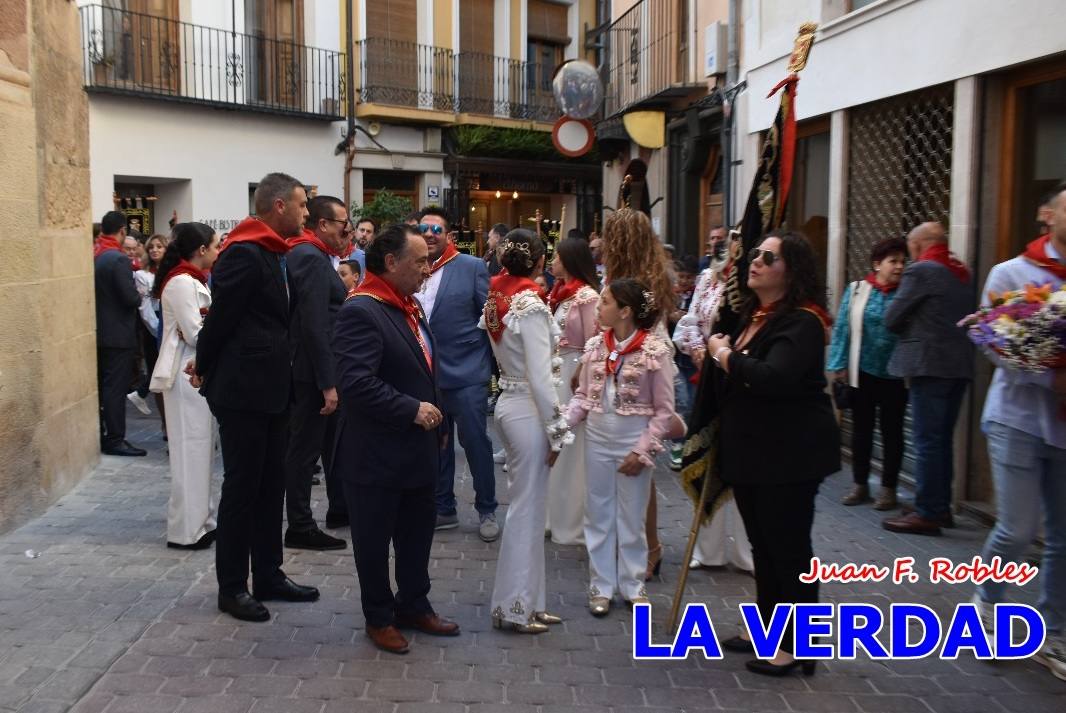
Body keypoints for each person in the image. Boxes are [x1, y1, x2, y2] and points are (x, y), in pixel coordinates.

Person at [706, 231, 839, 677]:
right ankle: (769, 630)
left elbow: (772, 377)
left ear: (792, 270)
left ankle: (798, 646)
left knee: (788, 549)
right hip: (753, 450)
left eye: (769, 257)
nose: (756, 262)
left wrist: (724, 356)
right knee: (764, 545)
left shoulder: (802, 322)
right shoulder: (756, 315)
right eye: (756, 255)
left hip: (789, 453)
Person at [194, 172, 319, 622]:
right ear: (279, 205)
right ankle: (232, 587)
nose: (308, 213)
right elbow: (220, 321)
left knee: (272, 487)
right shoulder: (244, 254)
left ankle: (269, 574)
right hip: (244, 390)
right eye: (303, 205)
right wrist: (204, 366)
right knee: (243, 489)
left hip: (272, 388)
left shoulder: (274, 252)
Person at [333, 223, 460, 655]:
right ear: (391, 262)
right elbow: (356, 383)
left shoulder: (406, 304)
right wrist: (411, 409)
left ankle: (413, 604)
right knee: (373, 542)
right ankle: (379, 617)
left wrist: (438, 422)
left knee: (416, 535)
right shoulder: (361, 309)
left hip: (417, 449)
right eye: (420, 261)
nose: (428, 268)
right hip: (375, 453)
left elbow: (425, 367)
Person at [971, 181, 1066, 682]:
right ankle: (986, 603)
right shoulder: (1012, 274)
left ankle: (1055, 632)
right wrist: (1049, 368)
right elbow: (994, 344)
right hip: (1018, 416)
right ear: (1046, 215)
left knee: (1064, 537)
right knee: (1018, 529)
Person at [567, 279, 681, 617]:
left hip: (633, 440)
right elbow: (584, 398)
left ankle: (633, 583)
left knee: (632, 515)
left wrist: (643, 449)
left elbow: (664, 410)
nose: (599, 307)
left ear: (625, 311)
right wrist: (560, 423)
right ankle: (601, 585)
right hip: (599, 439)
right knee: (598, 513)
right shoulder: (595, 348)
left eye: (605, 302)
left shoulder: (654, 351)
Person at [482, 229, 572, 633]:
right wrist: (558, 431)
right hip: (528, 408)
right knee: (527, 510)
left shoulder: (496, 294)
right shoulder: (530, 303)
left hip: (509, 402)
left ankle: (528, 602)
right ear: (538, 262)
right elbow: (540, 377)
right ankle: (515, 607)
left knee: (529, 509)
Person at [881, 222, 974, 536]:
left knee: (927, 441)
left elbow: (891, 317)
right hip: (959, 365)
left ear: (918, 245)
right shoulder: (962, 271)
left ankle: (928, 512)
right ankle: (938, 503)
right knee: (941, 440)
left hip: (929, 365)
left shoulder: (922, 271)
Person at [600, 208, 676, 580]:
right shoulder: (653, 272)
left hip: (641, 368)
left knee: (636, 467)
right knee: (627, 470)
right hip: (632, 364)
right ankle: (636, 544)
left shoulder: (637, 281)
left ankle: (649, 547)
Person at [415, 208, 499, 542]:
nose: (430, 233)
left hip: (466, 373)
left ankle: (487, 508)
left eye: (437, 228)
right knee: (436, 445)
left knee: (476, 442)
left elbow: (490, 320)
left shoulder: (472, 267)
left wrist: (495, 368)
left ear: (449, 236)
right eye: (424, 228)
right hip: (426, 375)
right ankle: (443, 508)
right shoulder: (413, 268)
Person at [672, 227, 752, 573]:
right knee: (706, 458)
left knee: (744, 467)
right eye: (726, 245)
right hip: (707, 376)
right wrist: (698, 349)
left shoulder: (752, 286)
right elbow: (689, 322)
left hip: (741, 378)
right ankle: (710, 548)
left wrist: (727, 356)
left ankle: (749, 552)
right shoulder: (706, 279)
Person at [282, 196, 352, 551]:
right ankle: (300, 524)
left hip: (318, 369)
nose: (348, 231)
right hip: (312, 373)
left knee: (328, 445)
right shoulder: (309, 256)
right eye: (343, 224)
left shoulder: (312, 254)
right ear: (323, 225)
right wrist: (327, 383)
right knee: (305, 450)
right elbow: (314, 325)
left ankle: (339, 509)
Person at [150, 223, 220, 549]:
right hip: (183, 373)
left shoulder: (191, 280)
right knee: (189, 450)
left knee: (201, 448)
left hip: (195, 369)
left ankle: (203, 521)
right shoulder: (181, 282)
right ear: (202, 249)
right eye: (216, 246)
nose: (218, 252)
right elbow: (196, 333)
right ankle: (185, 531)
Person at [827, 238, 909, 510]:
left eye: (902, 261)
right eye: (893, 261)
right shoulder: (858, 290)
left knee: (892, 433)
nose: (899, 266)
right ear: (877, 264)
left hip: (896, 375)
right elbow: (842, 329)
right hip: (862, 372)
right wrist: (838, 365)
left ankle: (888, 489)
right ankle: (859, 484)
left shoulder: (908, 292)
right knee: (862, 430)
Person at [545, 237, 600, 546]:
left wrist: (581, 371)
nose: (552, 262)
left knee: (571, 445)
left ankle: (571, 520)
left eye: (556, 256)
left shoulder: (586, 296)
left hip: (574, 373)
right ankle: (553, 514)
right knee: (556, 442)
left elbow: (595, 339)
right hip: (558, 371)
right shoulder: (561, 295)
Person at [94, 210, 147, 457]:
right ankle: (115, 438)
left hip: (103, 333)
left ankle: (107, 434)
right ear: (123, 231)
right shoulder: (117, 259)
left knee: (106, 388)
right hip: (118, 335)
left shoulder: (98, 254)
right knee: (115, 389)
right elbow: (129, 298)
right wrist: (140, 295)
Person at [130, 233, 169, 425]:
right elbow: (145, 310)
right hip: (153, 328)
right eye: (151, 247)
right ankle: (164, 424)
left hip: (168, 325)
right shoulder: (142, 275)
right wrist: (158, 331)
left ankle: (141, 393)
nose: (154, 250)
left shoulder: (173, 271)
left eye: (159, 246)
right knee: (158, 374)